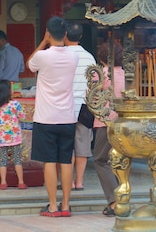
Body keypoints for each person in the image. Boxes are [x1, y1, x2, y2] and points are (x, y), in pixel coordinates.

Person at [27, 16, 79, 217]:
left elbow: (29, 63)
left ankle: (52, 206)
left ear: (48, 33)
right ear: (65, 34)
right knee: (66, 159)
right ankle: (66, 205)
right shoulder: (73, 56)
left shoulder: (43, 56)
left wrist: (43, 42)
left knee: (49, 161)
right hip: (67, 116)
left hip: (46, 117)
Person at [92, 38, 126, 216]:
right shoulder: (124, 73)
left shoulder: (101, 73)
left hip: (105, 121)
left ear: (103, 57)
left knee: (100, 159)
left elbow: (91, 96)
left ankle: (114, 202)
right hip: (123, 122)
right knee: (118, 161)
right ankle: (122, 198)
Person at [66, 22, 96, 190]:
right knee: (82, 146)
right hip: (85, 107)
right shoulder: (89, 57)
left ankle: (68, 181)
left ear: (65, 35)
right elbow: (94, 83)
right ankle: (80, 181)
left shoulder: (62, 56)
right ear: (81, 37)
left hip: (66, 106)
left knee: (67, 146)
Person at [0, 79, 27, 190]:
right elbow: (23, 117)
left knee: (3, 160)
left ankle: (3, 182)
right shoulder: (15, 104)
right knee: (17, 159)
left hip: (1, 137)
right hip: (14, 137)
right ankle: (21, 182)